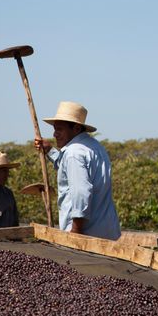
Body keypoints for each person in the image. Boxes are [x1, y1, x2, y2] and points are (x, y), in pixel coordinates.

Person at [35, 101, 121, 240]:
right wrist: (50, 151)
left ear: (75, 129)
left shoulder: (73, 153)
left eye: (60, 129)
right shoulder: (96, 147)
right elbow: (69, 168)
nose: (55, 134)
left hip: (86, 236)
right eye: (55, 129)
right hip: (107, 232)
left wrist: (75, 231)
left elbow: (81, 193)